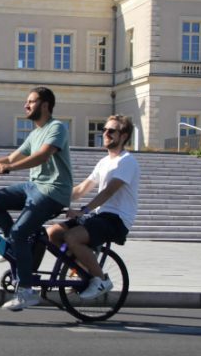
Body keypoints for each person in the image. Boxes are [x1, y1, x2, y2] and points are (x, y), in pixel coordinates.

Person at [0, 86, 73, 311]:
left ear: (45, 105)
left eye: (31, 101)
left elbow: (42, 155)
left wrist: (9, 168)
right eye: (26, 101)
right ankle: (17, 245)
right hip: (34, 187)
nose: (25, 105)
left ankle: (27, 291)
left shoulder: (56, 128)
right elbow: (10, 157)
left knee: (20, 231)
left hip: (53, 190)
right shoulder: (34, 133)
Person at [47, 115, 140, 300]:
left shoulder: (127, 161)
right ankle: (83, 273)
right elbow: (82, 189)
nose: (105, 133)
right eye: (104, 130)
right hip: (100, 216)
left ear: (123, 135)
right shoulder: (104, 162)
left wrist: (84, 211)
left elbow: (108, 192)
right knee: (53, 233)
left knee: (72, 237)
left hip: (117, 219)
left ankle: (101, 279)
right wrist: (52, 197)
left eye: (111, 130)